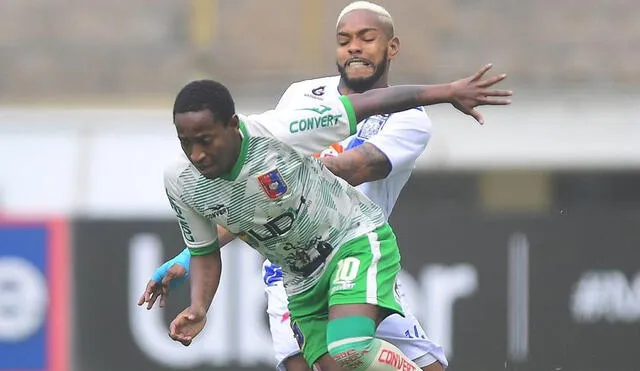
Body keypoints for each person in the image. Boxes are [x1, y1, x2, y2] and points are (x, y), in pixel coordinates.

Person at [139, 2, 451, 370]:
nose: (355, 47)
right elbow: (255, 195)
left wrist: (448, 91)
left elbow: (353, 168)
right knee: (311, 363)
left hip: (353, 247)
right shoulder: (302, 97)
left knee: (391, 357)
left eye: (367, 38)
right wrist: (189, 256)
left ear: (391, 47)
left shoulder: (410, 119)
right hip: (290, 268)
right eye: (344, 39)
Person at [153, 57, 510, 371]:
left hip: (350, 241)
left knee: (350, 349)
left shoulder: (282, 132)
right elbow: (204, 251)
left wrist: (447, 91)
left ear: (232, 125)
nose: (196, 154)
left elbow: (368, 102)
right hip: (299, 280)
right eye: (186, 142)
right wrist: (199, 307)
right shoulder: (182, 182)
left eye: (205, 140)